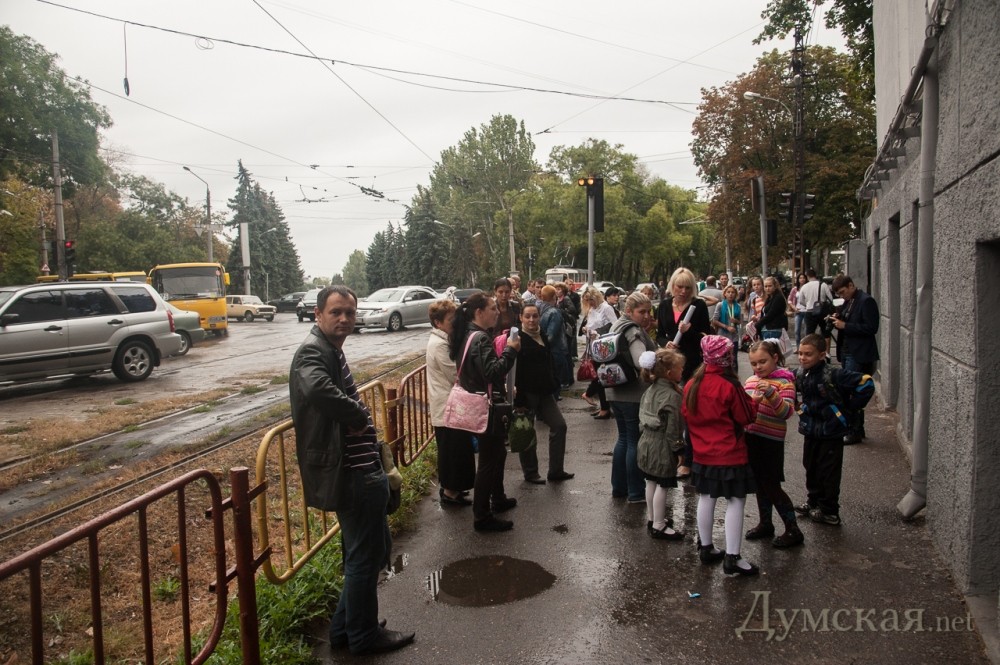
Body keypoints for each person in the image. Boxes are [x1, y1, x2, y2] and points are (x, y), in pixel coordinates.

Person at [289, 285, 415, 655]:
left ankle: (345, 629)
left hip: (360, 467)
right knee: (364, 557)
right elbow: (318, 390)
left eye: (349, 312)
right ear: (318, 315)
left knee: (370, 551)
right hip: (351, 474)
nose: (344, 319)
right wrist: (358, 414)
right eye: (336, 312)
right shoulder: (312, 351)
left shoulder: (330, 349)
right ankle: (363, 636)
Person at [682, 335, 761, 576]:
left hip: (702, 453)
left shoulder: (692, 384)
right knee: (736, 500)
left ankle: (706, 547)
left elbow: (686, 415)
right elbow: (746, 416)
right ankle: (733, 557)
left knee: (706, 497)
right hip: (730, 453)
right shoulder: (730, 385)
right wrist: (755, 402)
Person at [448, 292, 521, 532]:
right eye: (492, 308)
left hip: (478, 402)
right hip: (485, 407)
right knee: (489, 461)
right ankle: (482, 516)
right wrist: (511, 350)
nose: (497, 312)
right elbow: (492, 372)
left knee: (497, 454)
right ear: (479, 312)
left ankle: (497, 498)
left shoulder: (467, 334)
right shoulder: (479, 338)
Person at [794, 334, 875, 526]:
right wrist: (800, 409)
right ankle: (813, 501)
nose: (803, 358)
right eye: (800, 353)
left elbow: (866, 382)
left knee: (828, 471)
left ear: (822, 355)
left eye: (808, 354)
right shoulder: (801, 373)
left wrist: (850, 408)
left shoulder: (834, 374)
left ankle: (829, 510)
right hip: (810, 429)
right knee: (810, 466)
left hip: (831, 431)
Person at [743, 340, 803, 548]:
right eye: (754, 363)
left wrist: (771, 393)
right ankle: (765, 523)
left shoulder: (785, 382)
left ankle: (793, 528)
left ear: (775, 358)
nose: (758, 367)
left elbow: (786, 412)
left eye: (763, 361)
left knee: (772, 485)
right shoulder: (751, 380)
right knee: (759, 484)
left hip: (771, 442)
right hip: (752, 438)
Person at [514, 302, 575, 484]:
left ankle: (556, 470)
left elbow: (549, 361)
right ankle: (531, 473)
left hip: (545, 392)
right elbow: (515, 371)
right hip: (526, 394)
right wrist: (519, 400)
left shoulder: (542, 335)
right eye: (527, 316)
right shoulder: (517, 339)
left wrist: (554, 381)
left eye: (535, 316)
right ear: (521, 318)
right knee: (527, 431)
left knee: (559, 426)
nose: (531, 320)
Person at [608, 292, 658, 503]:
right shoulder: (633, 330)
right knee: (633, 442)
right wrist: (659, 358)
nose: (646, 316)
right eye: (641, 312)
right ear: (629, 311)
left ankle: (619, 488)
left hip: (614, 390)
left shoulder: (616, 325)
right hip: (632, 394)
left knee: (623, 439)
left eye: (648, 311)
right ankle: (636, 492)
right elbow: (641, 361)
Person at [425, 299, 474, 506]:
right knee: (452, 451)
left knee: (457, 449)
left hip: (450, 404)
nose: (454, 323)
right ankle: (450, 493)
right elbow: (454, 373)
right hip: (447, 406)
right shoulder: (439, 345)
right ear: (438, 322)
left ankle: (454, 488)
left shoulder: (444, 340)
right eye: (450, 319)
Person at [636, 347, 687, 541]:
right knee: (663, 484)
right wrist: (678, 449)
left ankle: (652, 518)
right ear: (669, 372)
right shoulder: (672, 396)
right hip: (662, 446)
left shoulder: (649, 390)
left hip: (646, 442)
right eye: (680, 368)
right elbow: (674, 428)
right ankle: (659, 525)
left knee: (650, 481)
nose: (682, 371)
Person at [829, 275, 880, 444]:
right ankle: (856, 428)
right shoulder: (849, 301)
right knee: (848, 390)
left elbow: (871, 327)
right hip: (847, 351)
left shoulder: (866, 301)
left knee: (852, 391)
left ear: (851, 285)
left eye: (843, 292)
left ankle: (854, 430)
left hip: (858, 353)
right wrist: (837, 318)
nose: (842, 296)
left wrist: (845, 325)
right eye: (839, 294)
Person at [656, 267, 712, 382]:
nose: (683, 291)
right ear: (672, 285)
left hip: (693, 363)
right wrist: (666, 343)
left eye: (688, 288)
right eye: (680, 287)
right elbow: (660, 335)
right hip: (671, 363)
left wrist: (689, 331)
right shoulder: (664, 305)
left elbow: (706, 338)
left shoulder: (699, 305)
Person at [580, 286, 618, 419]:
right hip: (594, 346)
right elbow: (591, 325)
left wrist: (597, 332)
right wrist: (586, 329)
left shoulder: (606, 308)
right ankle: (604, 407)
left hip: (605, 347)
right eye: (587, 300)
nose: (589, 303)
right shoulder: (591, 309)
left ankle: (604, 407)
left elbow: (615, 325)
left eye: (590, 299)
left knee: (601, 377)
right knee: (599, 376)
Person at [538, 285, 573, 391]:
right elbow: (551, 334)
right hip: (557, 349)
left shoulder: (541, 309)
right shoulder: (554, 312)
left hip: (551, 348)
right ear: (554, 296)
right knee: (560, 379)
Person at [796, 269, 834, 342]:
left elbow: (801, 301)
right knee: (826, 333)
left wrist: (807, 304)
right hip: (822, 312)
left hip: (809, 311)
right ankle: (826, 349)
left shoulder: (804, 287)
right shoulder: (823, 285)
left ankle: (810, 348)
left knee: (809, 334)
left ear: (807, 276)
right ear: (815, 275)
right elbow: (830, 299)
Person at [710, 285, 741, 366]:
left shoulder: (738, 306)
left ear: (735, 294)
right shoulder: (720, 305)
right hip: (722, 335)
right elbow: (714, 320)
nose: (730, 294)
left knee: (734, 359)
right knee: (723, 358)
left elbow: (740, 321)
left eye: (733, 292)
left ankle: (734, 373)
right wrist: (727, 327)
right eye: (728, 292)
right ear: (725, 294)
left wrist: (736, 321)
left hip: (734, 336)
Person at [757, 276, 788, 342]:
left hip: (774, 329)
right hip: (767, 329)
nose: (767, 288)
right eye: (765, 286)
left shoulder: (778, 297)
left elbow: (771, 314)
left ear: (775, 286)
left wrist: (758, 324)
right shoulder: (770, 298)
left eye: (770, 286)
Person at [554, 281, 580, 361]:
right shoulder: (557, 299)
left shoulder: (566, 298)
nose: (557, 291)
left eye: (559, 289)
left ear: (563, 290)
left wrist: (562, 311)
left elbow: (572, 309)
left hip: (567, 323)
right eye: (556, 289)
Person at [789, 272, 808, 348]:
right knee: (797, 331)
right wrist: (794, 308)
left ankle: (805, 347)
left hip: (806, 311)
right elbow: (789, 300)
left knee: (806, 331)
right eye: (800, 278)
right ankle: (798, 347)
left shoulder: (808, 288)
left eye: (803, 278)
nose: (802, 279)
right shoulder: (795, 289)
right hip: (798, 312)